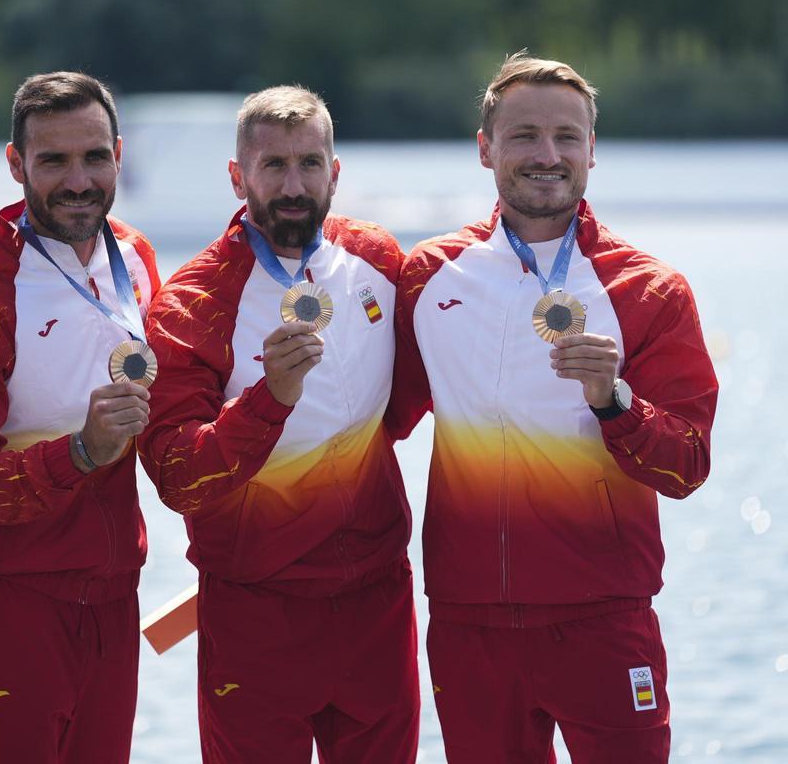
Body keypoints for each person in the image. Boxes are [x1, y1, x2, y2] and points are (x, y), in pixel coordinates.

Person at [391, 52, 718, 763]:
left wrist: (615, 402)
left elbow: (688, 466)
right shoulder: (428, 277)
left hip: (603, 619)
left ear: (592, 151)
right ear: (486, 149)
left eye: (567, 137)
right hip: (468, 622)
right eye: (525, 136)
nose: (548, 155)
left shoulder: (651, 291)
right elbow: (369, 425)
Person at [139, 85, 419, 763]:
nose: (294, 186)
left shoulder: (377, 260)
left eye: (309, 164)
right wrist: (271, 400)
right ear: (238, 176)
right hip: (257, 610)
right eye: (273, 167)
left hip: (374, 600)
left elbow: (404, 406)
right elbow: (178, 477)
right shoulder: (193, 302)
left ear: (335, 170)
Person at [0, 71, 159, 764]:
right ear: (15, 164)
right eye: (53, 161)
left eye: (94, 157)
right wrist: (77, 452)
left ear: (119, 154)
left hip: (113, 603)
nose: (78, 181)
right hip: (5, 612)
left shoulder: (133, 257)